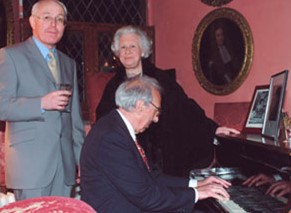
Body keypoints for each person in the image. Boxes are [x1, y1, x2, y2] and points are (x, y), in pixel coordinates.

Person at [95, 25, 239, 177]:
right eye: (123, 47)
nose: (127, 51)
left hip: (163, 159)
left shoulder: (162, 79)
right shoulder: (112, 87)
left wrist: (212, 129)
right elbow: (105, 121)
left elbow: (184, 107)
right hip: (128, 158)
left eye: (132, 46)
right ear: (117, 53)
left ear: (142, 50)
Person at [81, 75, 231, 213]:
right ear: (140, 106)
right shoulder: (111, 138)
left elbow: (152, 177)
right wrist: (199, 193)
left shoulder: (117, 128)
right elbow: (147, 197)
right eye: (156, 111)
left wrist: (197, 184)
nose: (156, 119)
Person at [0, 0, 85, 200]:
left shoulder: (68, 63)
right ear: (32, 21)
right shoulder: (10, 56)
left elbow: (75, 119)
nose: (53, 25)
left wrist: (81, 159)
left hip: (65, 166)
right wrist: (40, 104)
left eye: (60, 20)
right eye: (46, 18)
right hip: (30, 165)